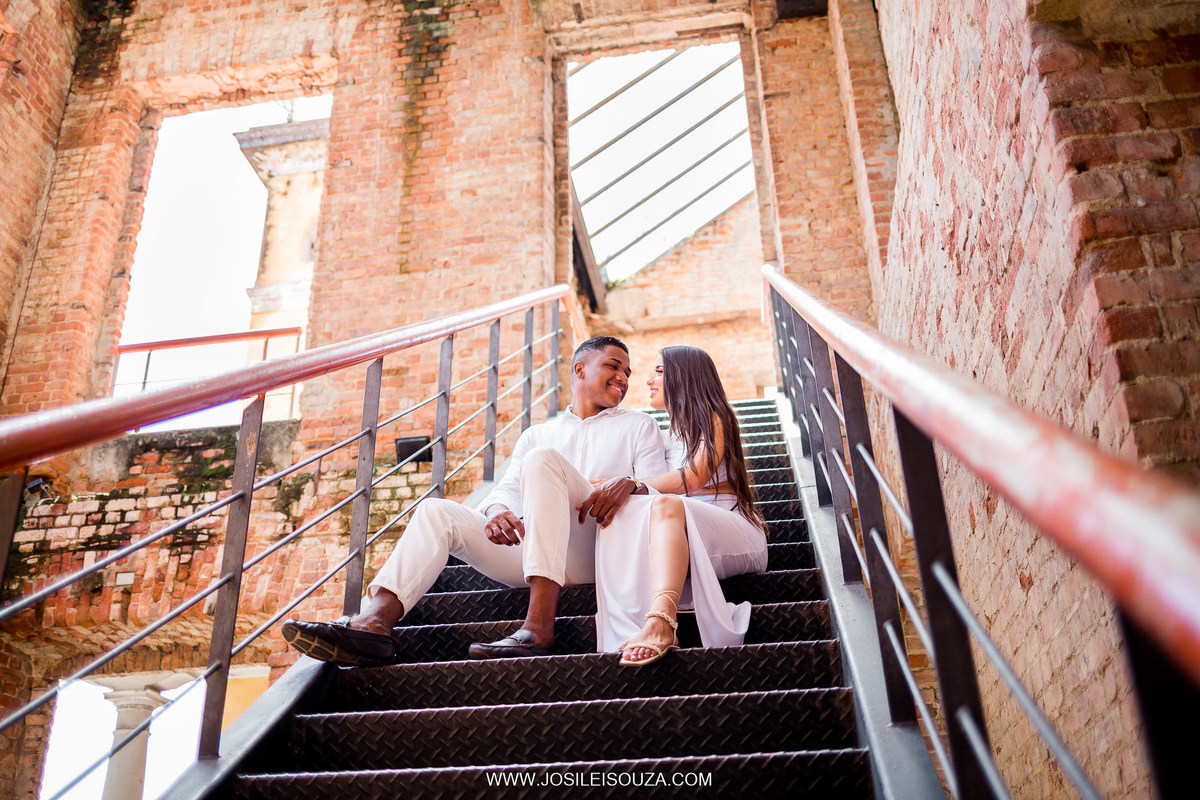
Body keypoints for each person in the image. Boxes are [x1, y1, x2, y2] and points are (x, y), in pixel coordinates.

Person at [281, 336, 669, 665]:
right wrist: (497, 511)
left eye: (628, 372)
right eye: (613, 366)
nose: (623, 378)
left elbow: (661, 491)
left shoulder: (639, 425)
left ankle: (538, 627)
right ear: (580, 369)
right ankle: (374, 624)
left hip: (598, 550)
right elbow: (506, 491)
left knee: (543, 460)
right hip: (537, 554)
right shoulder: (538, 434)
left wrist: (631, 483)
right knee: (436, 512)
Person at [581, 345, 768, 666]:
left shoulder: (715, 417)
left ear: (684, 376)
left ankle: (662, 621)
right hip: (680, 530)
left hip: (732, 530)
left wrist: (632, 482)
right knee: (633, 516)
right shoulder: (662, 436)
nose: (648, 381)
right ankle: (627, 624)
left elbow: (694, 477)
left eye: (659, 371)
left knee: (665, 504)